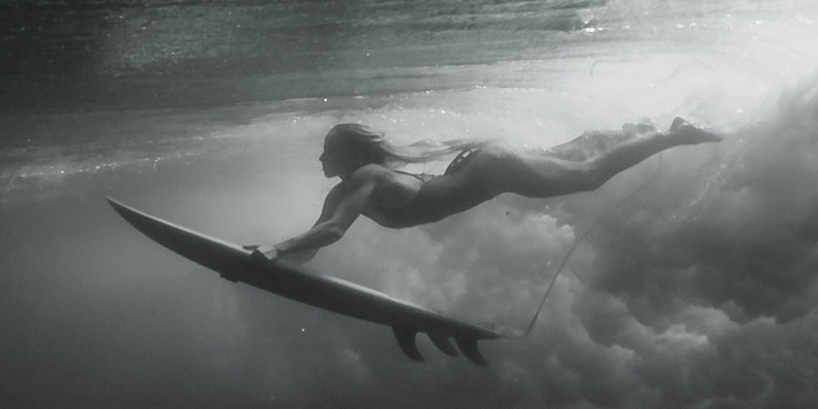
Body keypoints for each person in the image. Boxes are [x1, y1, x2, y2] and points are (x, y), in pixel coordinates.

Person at [257, 118, 721, 264]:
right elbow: (319, 238)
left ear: (347, 155)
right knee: (565, 159)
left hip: (490, 171)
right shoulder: (347, 190)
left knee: (588, 175)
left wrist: (276, 248)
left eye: (326, 152)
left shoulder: (365, 179)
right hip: (484, 166)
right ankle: (629, 130)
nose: (320, 160)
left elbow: (334, 232)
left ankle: (672, 135)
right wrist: (279, 258)